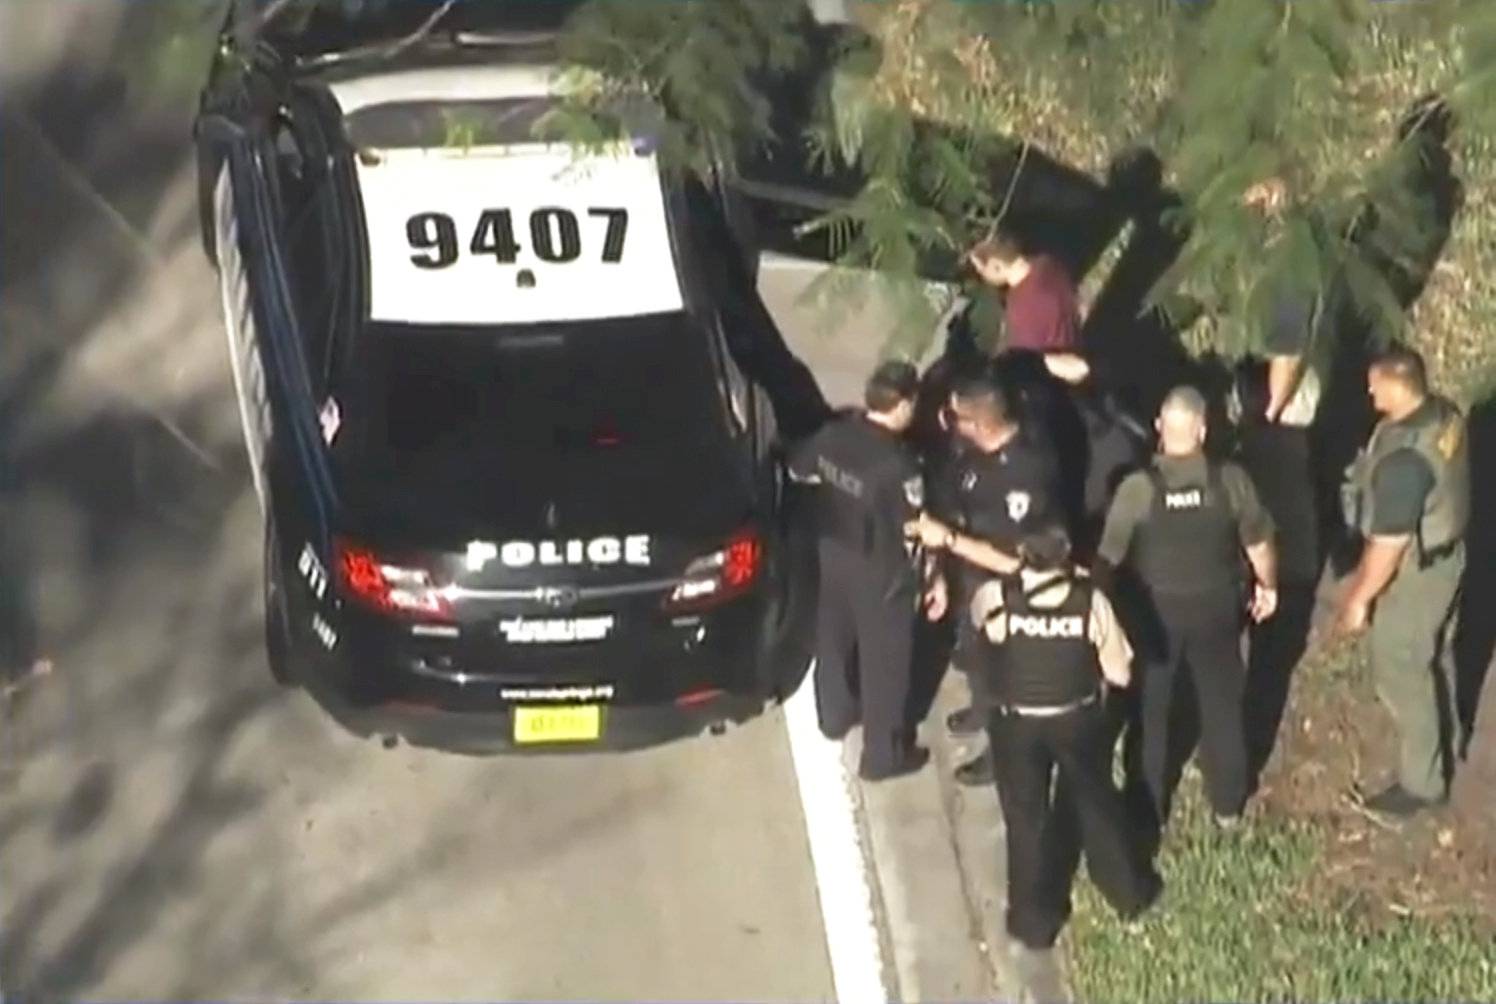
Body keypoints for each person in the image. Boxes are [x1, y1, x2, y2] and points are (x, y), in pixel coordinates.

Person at [965, 522, 1162, 949]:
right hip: (1077, 719)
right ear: (1066, 558)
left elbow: (983, 629)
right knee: (1096, 805)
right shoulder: (1090, 604)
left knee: (1025, 819)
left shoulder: (999, 599)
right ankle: (1127, 894)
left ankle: (1031, 923)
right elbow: (1119, 671)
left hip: (1016, 723)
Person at [1095, 385, 1279, 829]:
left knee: (1152, 712)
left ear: (1160, 428)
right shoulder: (1229, 480)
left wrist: (1100, 617)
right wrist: (1268, 586)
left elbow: (1107, 560)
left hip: (1156, 613)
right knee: (1222, 705)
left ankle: (1148, 809)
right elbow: (1258, 541)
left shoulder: (1138, 489)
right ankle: (1229, 805)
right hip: (1217, 608)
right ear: (1202, 429)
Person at [790, 359, 947, 781]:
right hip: (880, 569)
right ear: (901, 405)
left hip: (832, 552)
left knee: (832, 637)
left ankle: (835, 714)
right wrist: (934, 576)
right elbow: (916, 526)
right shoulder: (899, 465)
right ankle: (883, 755)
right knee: (886, 661)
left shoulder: (833, 434)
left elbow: (798, 469)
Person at [907, 370, 1062, 786]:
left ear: (980, 424)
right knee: (976, 662)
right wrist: (940, 571)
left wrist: (951, 541)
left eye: (954, 417)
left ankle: (1001, 754)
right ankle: (980, 707)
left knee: (1000, 675)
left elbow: (1016, 562)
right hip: (968, 580)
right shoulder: (969, 453)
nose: (947, 423)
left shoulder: (1026, 476)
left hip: (1006, 594)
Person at [1335, 345, 1468, 816]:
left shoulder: (1405, 467)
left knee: (1402, 667)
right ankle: (1451, 738)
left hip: (1418, 575)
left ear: (1397, 385)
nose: (1369, 390)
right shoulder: (1444, 415)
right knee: (1436, 654)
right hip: (1449, 554)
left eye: (1375, 384)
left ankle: (1422, 784)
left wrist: (1358, 600)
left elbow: (1387, 550)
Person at [966, 231, 1091, 386]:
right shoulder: (1047, 262)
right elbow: (1079, 301)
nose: (981, 276)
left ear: (996, 266)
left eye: (981, 270)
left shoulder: (1020, 308)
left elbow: (1029, 362)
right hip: (1082, 343)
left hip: (1066, 382)